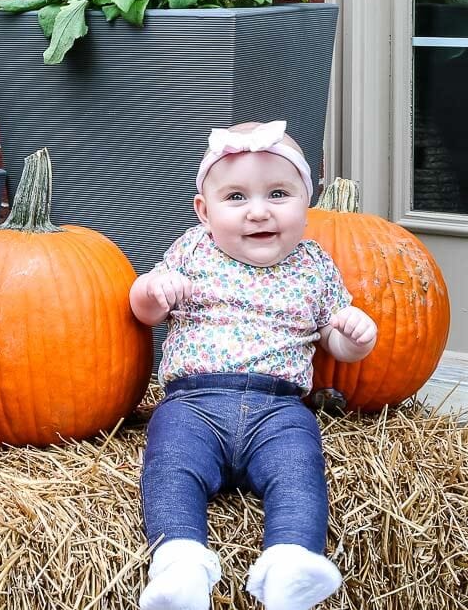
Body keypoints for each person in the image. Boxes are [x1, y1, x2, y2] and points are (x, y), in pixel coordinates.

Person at [130, 120, 378, 610]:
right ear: (205, 211)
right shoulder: (192, 250)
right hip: (194, 403)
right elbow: (143, 309)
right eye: (236, 197)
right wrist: (153, 292)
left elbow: (331, 338)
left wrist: (353, 338)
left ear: (307, 204)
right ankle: (180, 562)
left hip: (279, 408)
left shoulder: (314, 264)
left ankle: (290, 561)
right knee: (171, 466)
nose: (259, 212)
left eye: (279, 193)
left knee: (299, 469)